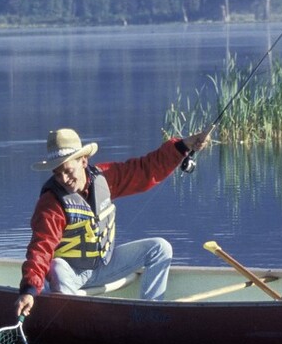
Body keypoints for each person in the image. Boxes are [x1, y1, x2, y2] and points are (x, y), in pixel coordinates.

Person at [16, 127, 210, 318]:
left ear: (83, 161)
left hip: (104, 266)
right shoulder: (51, 202)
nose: (63, 179)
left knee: (160, 248)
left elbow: (145, 170)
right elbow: (41, 248)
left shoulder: (104, 178)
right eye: (57, 173)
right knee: (56, 266)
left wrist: (182, 147)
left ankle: (150, 314)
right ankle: (72, 321)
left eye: (68, 170)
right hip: (69, 276)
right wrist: (29, 289)